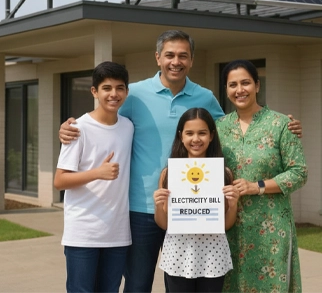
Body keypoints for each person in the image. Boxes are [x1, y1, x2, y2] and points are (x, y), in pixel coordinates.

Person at [58, 30, 302, 293]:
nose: (176, 61)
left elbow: (229, 129)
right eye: (170, 55)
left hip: (194, 210)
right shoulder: (134, 94)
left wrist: (282, 125)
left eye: (183, 56)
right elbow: (106, 118)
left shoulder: (205, 97)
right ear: (158, 58)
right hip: (142, 209)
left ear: (192, 60)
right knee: (138, 285)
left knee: (182, 284)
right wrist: (69, 128)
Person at [215, 59, 308, 293]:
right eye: (232, 85)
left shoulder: (281, 124)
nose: (239, 90)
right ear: (226, 90)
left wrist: (256, 186)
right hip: (229, 225)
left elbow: (299, 172)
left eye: (245, 83)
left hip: (271, 226)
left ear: (257, 85)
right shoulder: (218, 128)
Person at [54, 61, 134, 293]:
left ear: (126, 92)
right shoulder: (78, 128)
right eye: (107, 88)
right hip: (83, 233)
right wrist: (96, 173)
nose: (114, 94)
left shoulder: (128, 126)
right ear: (94, 91)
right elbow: (60, 180)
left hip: (117, 233)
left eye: (120, 88)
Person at [153, 107, 239, 293]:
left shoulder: (224, 174)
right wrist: (159, 205)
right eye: (189, 133)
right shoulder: (168, 174)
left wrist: (232, 206)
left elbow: (225, 225)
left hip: (213, 255)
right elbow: (163, 223)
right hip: (178, 254)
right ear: (181, 136)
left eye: (202, 133)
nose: (196, 139)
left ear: (211, 136)